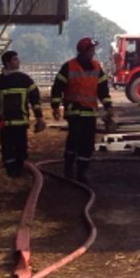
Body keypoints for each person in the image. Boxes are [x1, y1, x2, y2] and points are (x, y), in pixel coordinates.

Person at [50, 37, 115, 184]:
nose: (93, 53)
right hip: (74, 111)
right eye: (91, 50)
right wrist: (55, 106)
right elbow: (57, 87)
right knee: (74, 139)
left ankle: (81, 172)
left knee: (87, 143)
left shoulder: (97, 67)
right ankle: (68, 170)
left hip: (90, 112)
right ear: (83, 51)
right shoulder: (69, 66)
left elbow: (103, 90)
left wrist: (108, 106)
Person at [0, 50, 46, 177]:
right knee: (7, 150)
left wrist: (39, 117)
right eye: (15, 59)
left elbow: (35, 99)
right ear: (7, 63)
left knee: (21, 149)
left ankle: (19, 171)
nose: (18, 61)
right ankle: (11, 173)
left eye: (17, 59)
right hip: (4, 124)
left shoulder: (25, 80)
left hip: (20, 123)